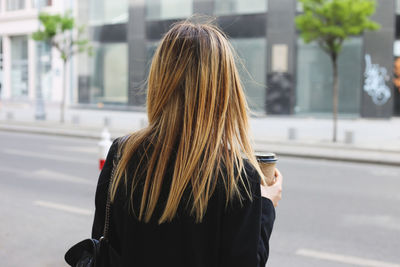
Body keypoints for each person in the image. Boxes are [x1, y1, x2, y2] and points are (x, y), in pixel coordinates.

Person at [92, 19, 283, 267]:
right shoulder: (238, 176)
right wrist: (265, 206)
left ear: (160, 80)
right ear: (225, 88)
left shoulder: (122, 154)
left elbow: (102, 243)